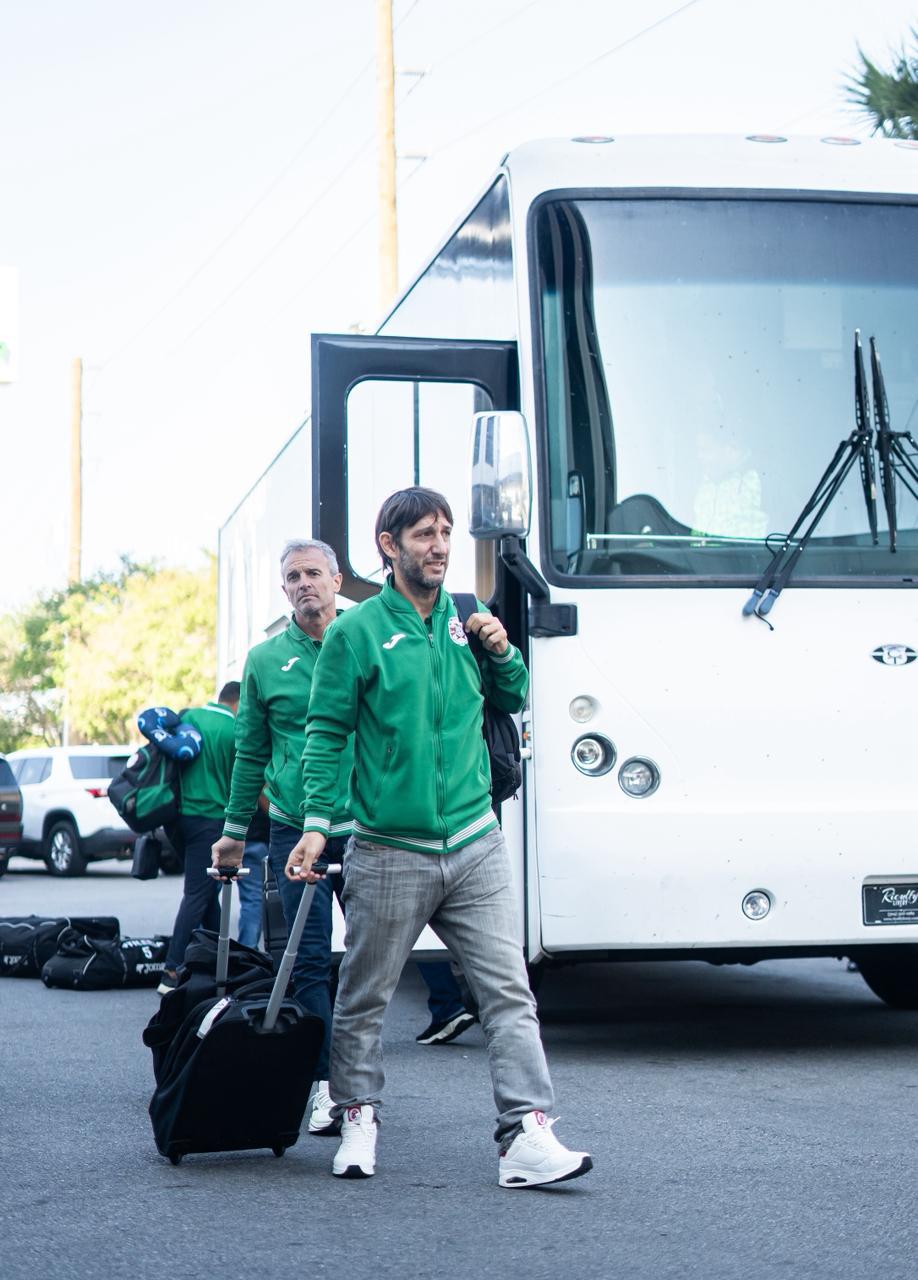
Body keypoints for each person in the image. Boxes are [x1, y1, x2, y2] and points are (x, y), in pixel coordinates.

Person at [286, 486, 593, 1189]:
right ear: (389, 545)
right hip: (390, 846)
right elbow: (327, 735)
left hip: (476, 839)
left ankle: (526, 1135)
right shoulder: (355, 633)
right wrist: (314, 825)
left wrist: (504, 651)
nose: (441, 546)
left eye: (447, 532)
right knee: (364, 994)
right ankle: (358, 1114)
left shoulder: (465, 617)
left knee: (507, 993)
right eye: (424, 534)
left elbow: (512, 698)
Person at [210, 539, 352, 1136]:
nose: (303, 584)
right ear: (284, 588)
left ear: (337, 580)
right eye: (292, 576)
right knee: (306, 960)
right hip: (296, 826)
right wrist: (234, 832)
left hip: (370, 824)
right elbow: (250, 753)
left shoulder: (366, 638)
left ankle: (359, 1084)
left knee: (373, 961)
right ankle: (324, 1088)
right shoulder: (265, 661)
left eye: (313, 573)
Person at [155, 683, 240, 995]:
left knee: (207, 894)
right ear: (238, 703)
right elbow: (244, 781)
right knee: (197, 895)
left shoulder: (190, 716)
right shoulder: (235, 730)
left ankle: (223, 963)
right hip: (211, 821)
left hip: (178, 819)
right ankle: (172, 970)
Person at [236, 794, 270, 949]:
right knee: (253, 899)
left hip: (238, 835)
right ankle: (247, 950)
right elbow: (264, 797)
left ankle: (243, 952)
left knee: (204, 899)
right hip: (256, 837)